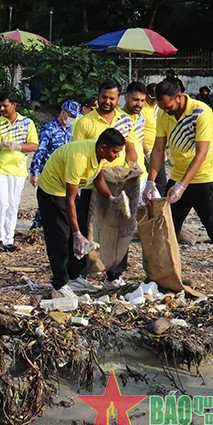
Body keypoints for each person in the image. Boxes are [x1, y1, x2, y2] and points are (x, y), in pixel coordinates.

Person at [145, 79, 213, 298]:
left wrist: (182, 186)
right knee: (167, 228)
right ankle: (160, 277)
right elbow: (158, 150)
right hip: (177, 175)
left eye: (168, 106)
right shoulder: (163, 114)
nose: (166, 111)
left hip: (203, 177)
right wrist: (151, 180)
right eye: (162, 107)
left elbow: (202, 152)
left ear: (179, 96)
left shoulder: (201, 112)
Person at [38, 131, 127, 298]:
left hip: (67, 193)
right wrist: (76, 233)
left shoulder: (99, 155)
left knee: (80, 232)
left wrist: (111, 197)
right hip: (51, 191)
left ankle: (74, 278)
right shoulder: (78, 159)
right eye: (115, 152)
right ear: (103, 148)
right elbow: (69, 199)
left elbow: (97, 178)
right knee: (61, 237)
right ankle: (59, 284)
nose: (117, 156)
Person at [71, 80, 139, 287]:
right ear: (97, 96)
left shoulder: (126, 120)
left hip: (119, 183)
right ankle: (78, 274)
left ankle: (115, 275)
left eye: (112, 98)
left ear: (120, 99)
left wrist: (133, 165)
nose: (107, 101)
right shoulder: (84, 122)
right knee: (87, 227)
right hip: (91, 183)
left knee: (119, 227)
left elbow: (130, 148)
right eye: (104, 97)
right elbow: (77, 153)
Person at [0, 91, 39, 252]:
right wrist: (1, 146)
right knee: (1, 201)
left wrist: (18, 146)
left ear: (14, 105)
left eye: (5, 105)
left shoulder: (27, 123)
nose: (1, 108)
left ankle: (9, 239)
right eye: (0, 106)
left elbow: (34, 145)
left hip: (18, 170)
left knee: (13, 204)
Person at [29, 100, 80, 228]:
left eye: (75, 117)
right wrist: (34, 172)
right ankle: (37, 226)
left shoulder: (70, 130)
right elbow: (40, 150)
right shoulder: (49, 128)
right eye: (71, 116)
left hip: (64, 171)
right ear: (63, 113)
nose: (72, 119)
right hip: (48, 170)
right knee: (47, 199)